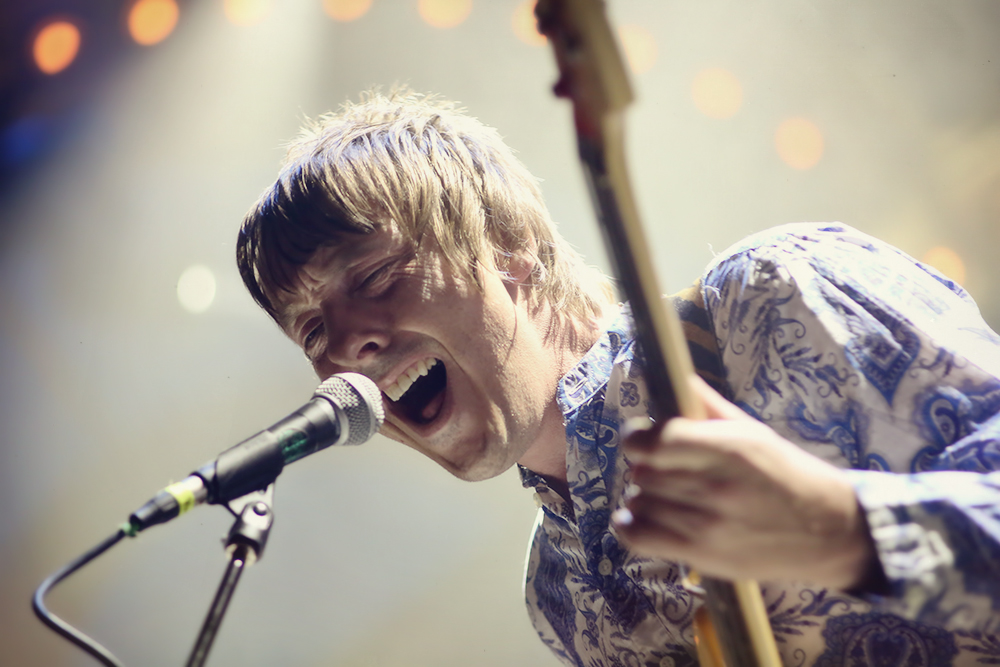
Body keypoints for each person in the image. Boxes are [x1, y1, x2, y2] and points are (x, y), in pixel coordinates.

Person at [236, 90, 1000, 666]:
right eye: (313, 332)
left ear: (507, 246)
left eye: (375, 275)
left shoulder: (771, 301)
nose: (348, 347)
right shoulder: (555, 595)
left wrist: (842, 527)